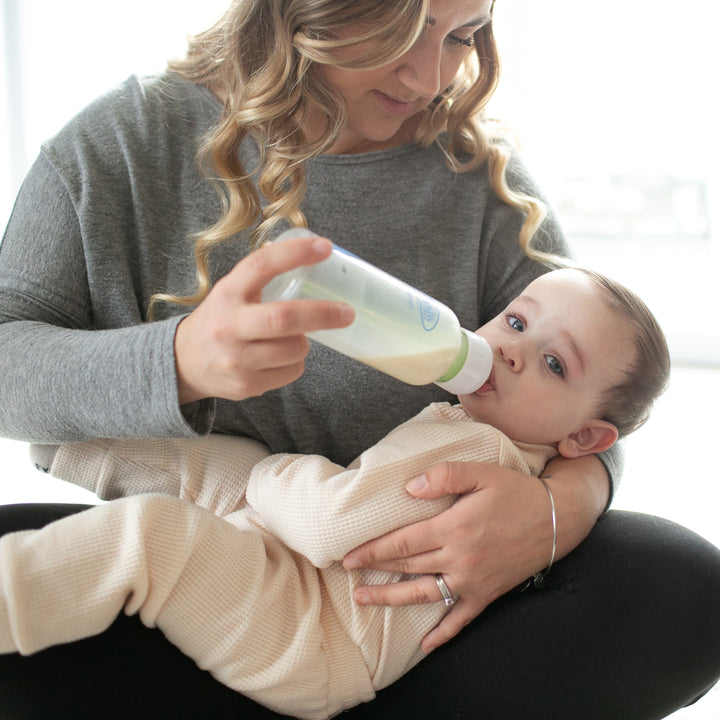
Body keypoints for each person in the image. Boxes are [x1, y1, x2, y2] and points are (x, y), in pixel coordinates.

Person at [0, 0, 718, 717]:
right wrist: (178, 362)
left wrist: (555, 510)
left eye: (462, 36)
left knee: (681, 585)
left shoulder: (486, 185)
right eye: (401, 33)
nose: (434, 75)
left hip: (398, 623)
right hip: (216, 581)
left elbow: (595, 401)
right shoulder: (116, 150)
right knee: (87, 551)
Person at [0, 268, 670, 719]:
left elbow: (323, 522)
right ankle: (72, 447)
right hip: (304, 584)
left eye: (555, 364)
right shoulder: (482, 427)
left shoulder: (479, 450)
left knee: (157, 537)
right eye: (517, 324)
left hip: (314, 636)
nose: (515, 351)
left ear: (586, 438)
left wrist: (267, 478)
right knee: (214, 463)